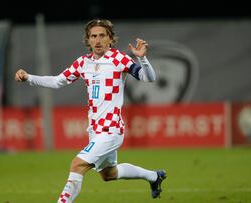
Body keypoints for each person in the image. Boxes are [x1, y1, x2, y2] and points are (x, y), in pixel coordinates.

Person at [15, 19, 166, 203]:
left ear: (110, 39)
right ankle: (154, 176)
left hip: (111, 130)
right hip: (95, 131)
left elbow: (148, 78)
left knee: (77, 164)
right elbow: (57, 81)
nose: (98, 40)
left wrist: (142, 58)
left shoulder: (118, 59)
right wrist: (28, 78)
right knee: (109, 174)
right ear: (88, 40)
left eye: (102, 35)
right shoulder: (83, 63)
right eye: (93, 36)